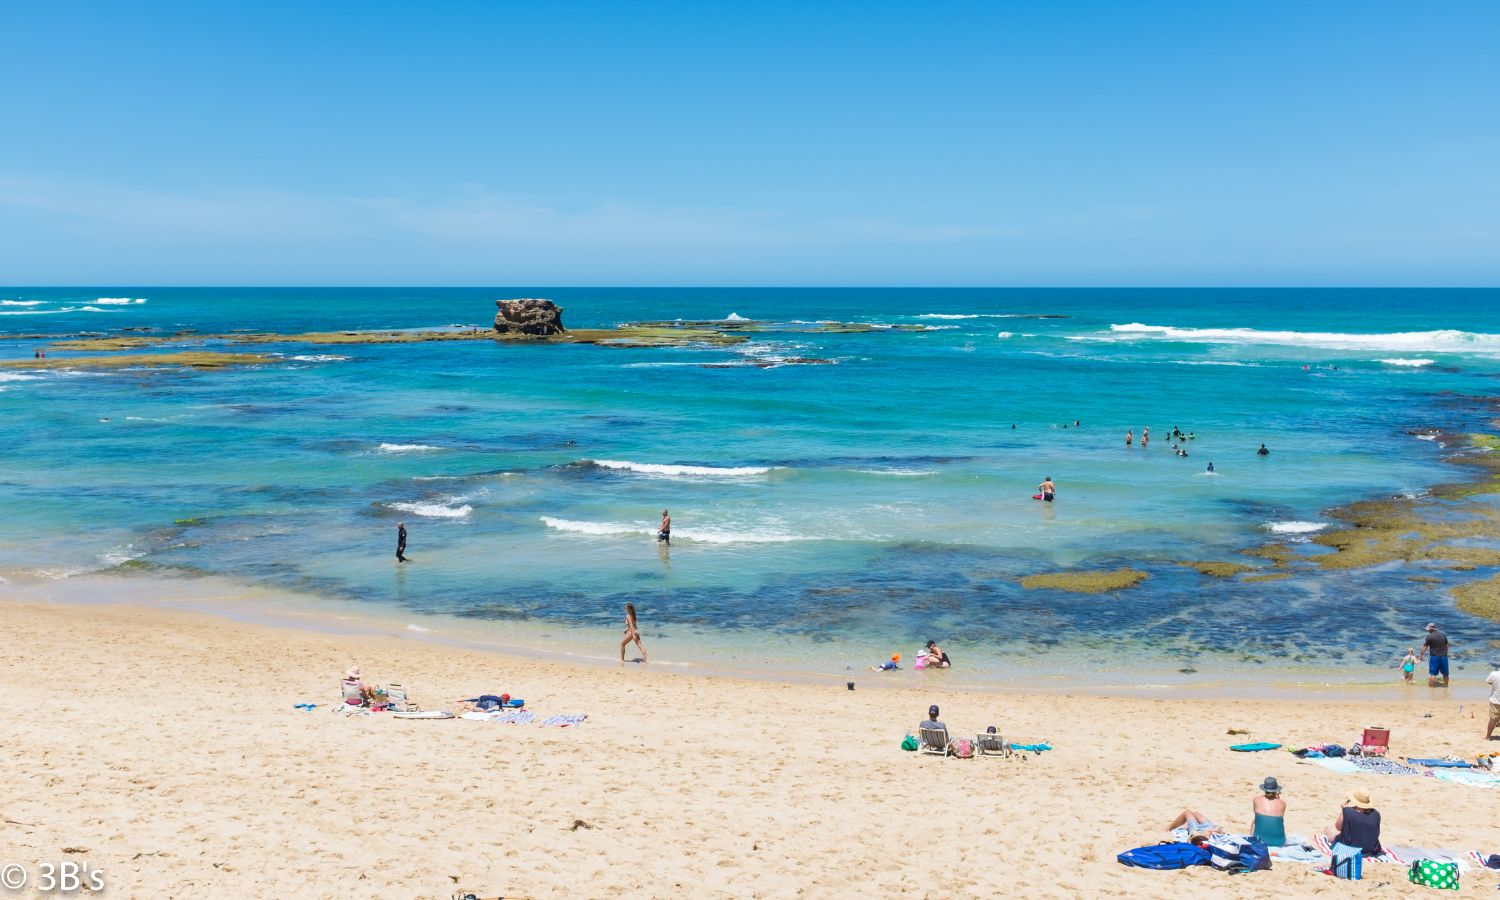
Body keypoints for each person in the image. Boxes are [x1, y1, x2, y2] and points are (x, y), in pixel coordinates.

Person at [1325, 789, 1382, 858]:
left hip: (1351, 849)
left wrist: (1343, 811)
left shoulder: (1348, 812)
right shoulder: (1376, 814)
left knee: (1333, 835)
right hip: (1371, 849)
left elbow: (1338, 827)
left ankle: (1328, 835)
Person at [1252, 777, 1287, 846]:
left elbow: (1257, 818)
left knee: (1254, 821)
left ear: (1264, 789)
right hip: (1279, 842)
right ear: (1276, 790)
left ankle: (1252, 839)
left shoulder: (1255, 800)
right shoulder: (1283, 803)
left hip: (1259, 841)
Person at [1419, 622, 1450, 687]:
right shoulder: (1443, 635)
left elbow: (1424, 647)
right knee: (1445, 674)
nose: (1428, 631)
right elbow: (1447, 646)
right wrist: (1445, 654)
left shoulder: (1429, 637)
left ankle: (1433, 689)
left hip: (1434, 657)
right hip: (1444, 656)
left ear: (1430, 629)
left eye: (1428, 630)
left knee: (1433, 674)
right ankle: (1446, 687)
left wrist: (1421, 656)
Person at [1487, 661, 1500, 740]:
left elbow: (1488, 681)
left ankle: (1488, 736)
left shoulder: (1494, 674)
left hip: (1495, 701)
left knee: (1493, 719)